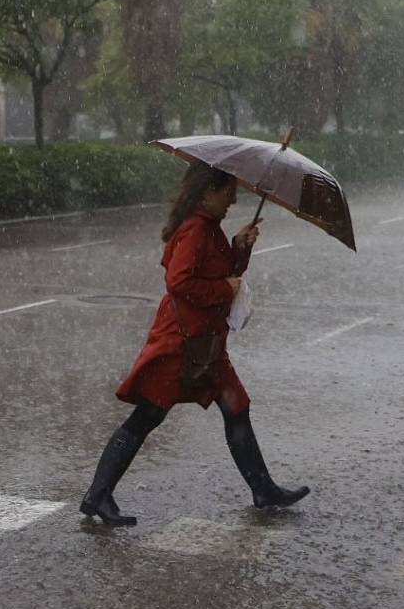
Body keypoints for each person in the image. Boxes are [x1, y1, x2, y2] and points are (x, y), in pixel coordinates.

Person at [79, 163, 310, 526]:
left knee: (236, 408)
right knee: (147, 416)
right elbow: (180, 282)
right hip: (181, 345)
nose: (233, 200)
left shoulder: (209, 229)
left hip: (206, 345)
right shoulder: (195, 230)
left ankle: (262, 488)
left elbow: (221, 272)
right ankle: (98, 494)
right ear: (208, 193)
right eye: (228, 192)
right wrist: (224, 289)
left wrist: (239, 248)